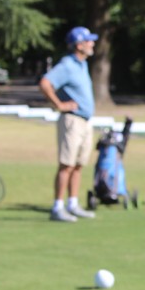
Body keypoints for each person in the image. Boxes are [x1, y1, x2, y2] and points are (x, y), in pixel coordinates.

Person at [39, 26, 98, 222]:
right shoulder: (67, 65)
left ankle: (73, 204)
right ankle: (58, 207)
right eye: (88, 41)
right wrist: (59, 105)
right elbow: (45, 83)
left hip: (85, 122)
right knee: (66, 165)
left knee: (78, 165)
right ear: (79, 45)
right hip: (72, 120)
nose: (92, 44)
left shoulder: (82, 64)